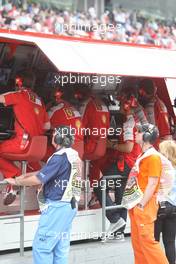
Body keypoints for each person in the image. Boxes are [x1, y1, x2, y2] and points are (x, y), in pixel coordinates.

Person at [6, 125, 82, 264]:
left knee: (42, 247)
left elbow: (38, 179)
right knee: (60, 248)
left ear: (59, 138)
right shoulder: (73, 155)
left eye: (54, 134)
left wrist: (16, 182)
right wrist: (21, 177)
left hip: (57, 208)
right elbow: (44, 172)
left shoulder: (59, 157)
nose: (52, 136)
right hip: (69, 207)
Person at [94, 93, 141, 239]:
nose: (119, 107)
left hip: (126, 163)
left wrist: (112, 145)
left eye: (121, 104)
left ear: (126, 106)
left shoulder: (129, 123)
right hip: (133, 163)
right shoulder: (135, 120)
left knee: (99, 186)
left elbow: (128, 147)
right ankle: (119, 233)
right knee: (121, 194)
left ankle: (114, 219)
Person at [0, 72, 50, 205]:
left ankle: (16, 178)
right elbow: (47, 125)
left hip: (23, 143)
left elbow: (1, 99)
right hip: (38, 146)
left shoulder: (19, 95)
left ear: (19, 82)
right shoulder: (39, 99)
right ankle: (38, 183)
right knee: (30, 162)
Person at [129, 123, 169, 264]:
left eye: (139, 132)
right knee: (138, 244)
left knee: (148, 243)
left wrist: (141, 204)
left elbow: (152, 184)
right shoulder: (144, 155)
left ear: (146, 136)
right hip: (138, 204)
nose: (135, 133)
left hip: (144, 204)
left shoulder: (153, 157)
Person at [154, 140, 176, 264]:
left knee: (154, 241)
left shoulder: (161, 168)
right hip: (174, 207)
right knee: (170, 242)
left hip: (160, 206)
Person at [47, 88, 84, 159]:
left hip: (63, 152)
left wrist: (47, 107)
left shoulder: (57, 109)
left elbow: (42, 124)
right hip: (78, 151)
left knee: (40, 148)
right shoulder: (76, 111)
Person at [137, 79, 172, 144]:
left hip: (158, 143)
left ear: (141, 91)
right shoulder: (160, 103)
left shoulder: (151, 107)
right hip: (165, 141)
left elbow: (151, 129)